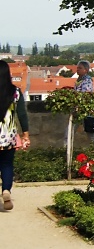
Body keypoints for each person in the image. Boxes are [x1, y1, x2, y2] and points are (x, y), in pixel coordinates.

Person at [1, 60, 30, 211]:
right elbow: (22, 114)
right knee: (6, 164)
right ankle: (6, 190)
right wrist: (25, 134)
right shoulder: (16, 92)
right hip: (8, 136)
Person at [65, 60, 94, 148]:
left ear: (85, 70)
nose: (77, 69)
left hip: (86, 111)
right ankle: (66, 149)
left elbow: (85, 94)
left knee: (92, 134)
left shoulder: (87, 80)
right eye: (77, 68)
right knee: (69, 131)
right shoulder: (80, 80)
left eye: (80, 68)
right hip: (78, 110)